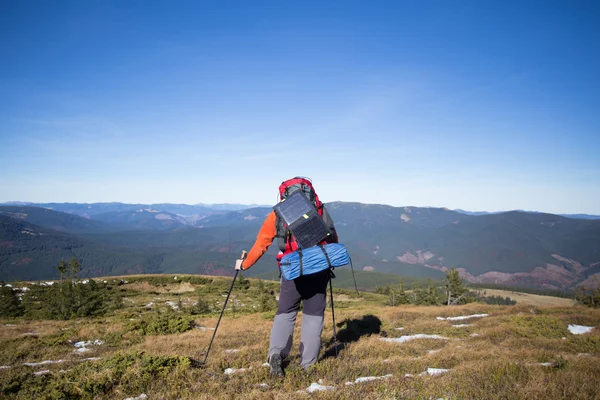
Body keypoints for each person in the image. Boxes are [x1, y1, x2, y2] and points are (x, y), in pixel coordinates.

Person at [234, 177, 338, 377]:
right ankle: (308, 364)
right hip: (317, 270)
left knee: (286, 312)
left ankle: (276, 354)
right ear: (310, 192)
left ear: (284, 194)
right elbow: (333, 239)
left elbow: (261, 244)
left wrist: (244, 264)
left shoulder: (278, 215)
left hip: (291, 270)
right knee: (313, 315)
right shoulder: (320, 210)